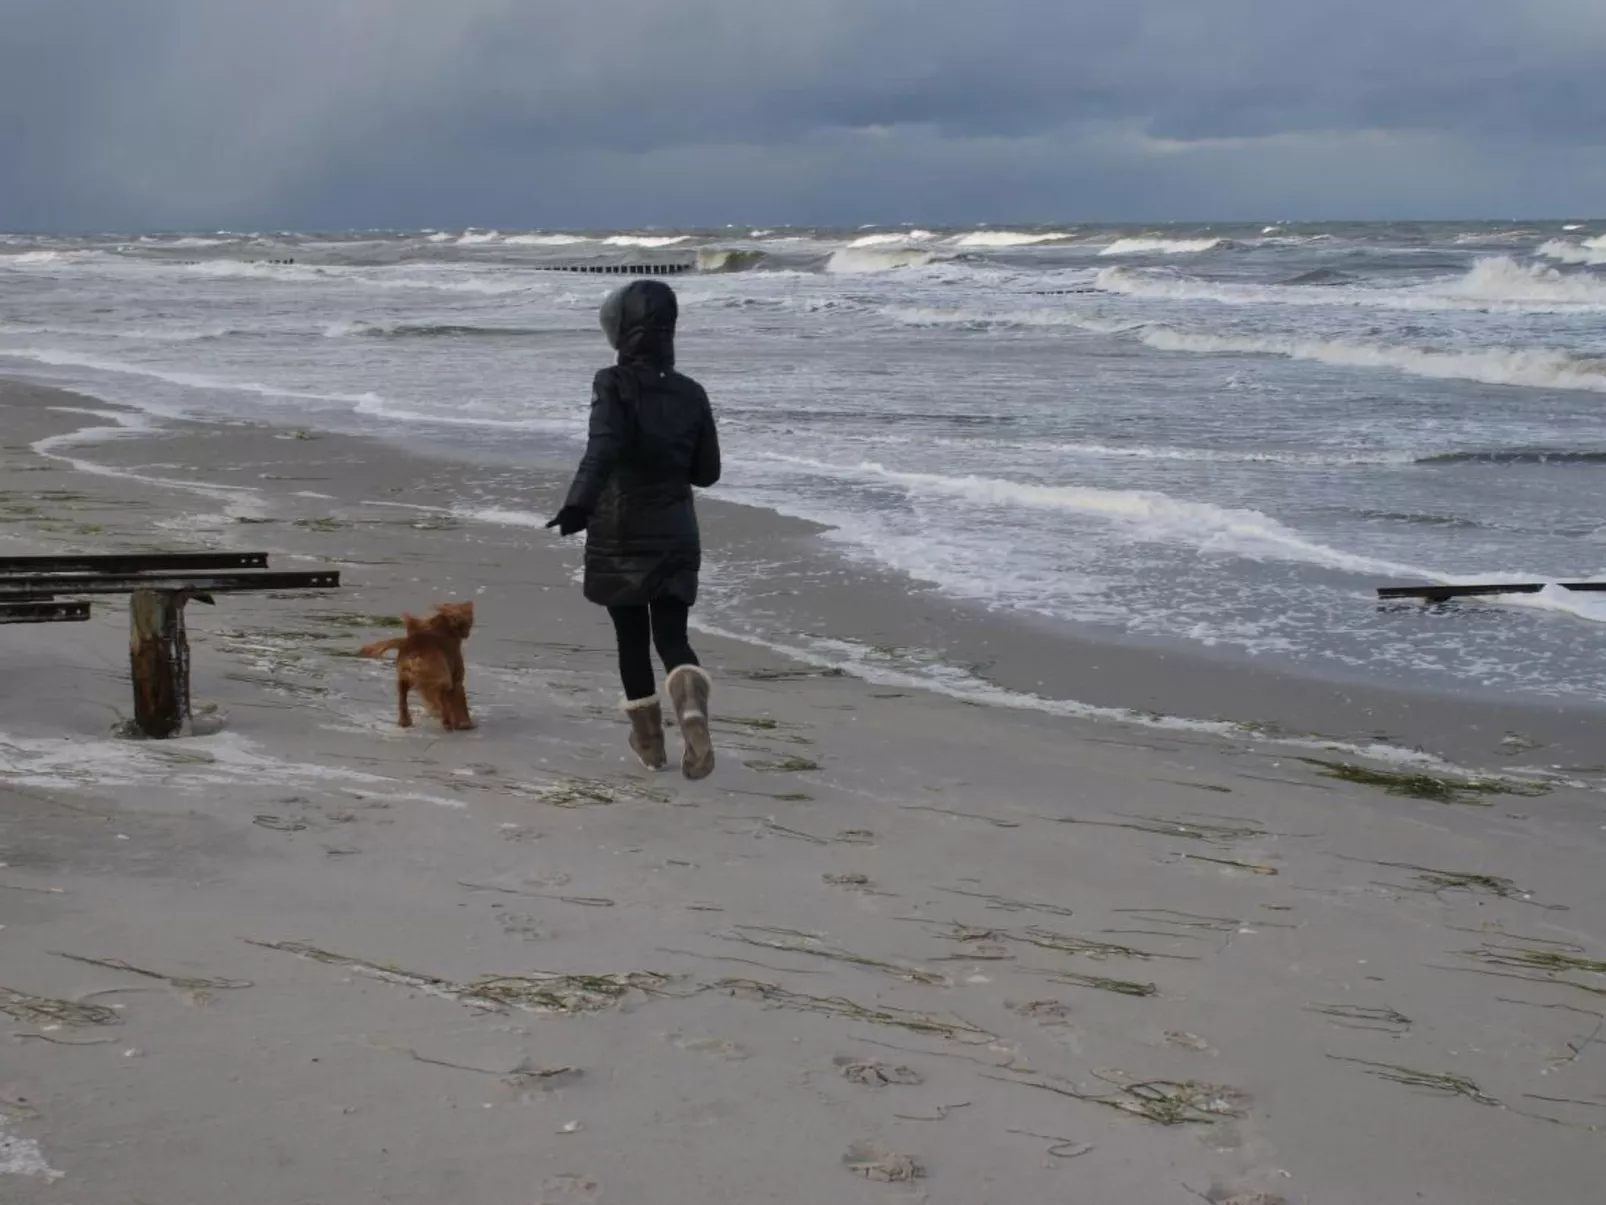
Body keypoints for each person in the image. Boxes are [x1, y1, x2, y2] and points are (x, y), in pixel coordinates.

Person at [546, 279, 721, 779]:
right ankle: (690, 703)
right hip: (677, 530)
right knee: (672, 635)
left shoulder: (613, 382)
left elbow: (602, 448)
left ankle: (649, 744)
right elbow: (707, 472)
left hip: (621, 528)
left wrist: (577, 505)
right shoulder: (691, 392)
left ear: (622, 330)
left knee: (630, 639)